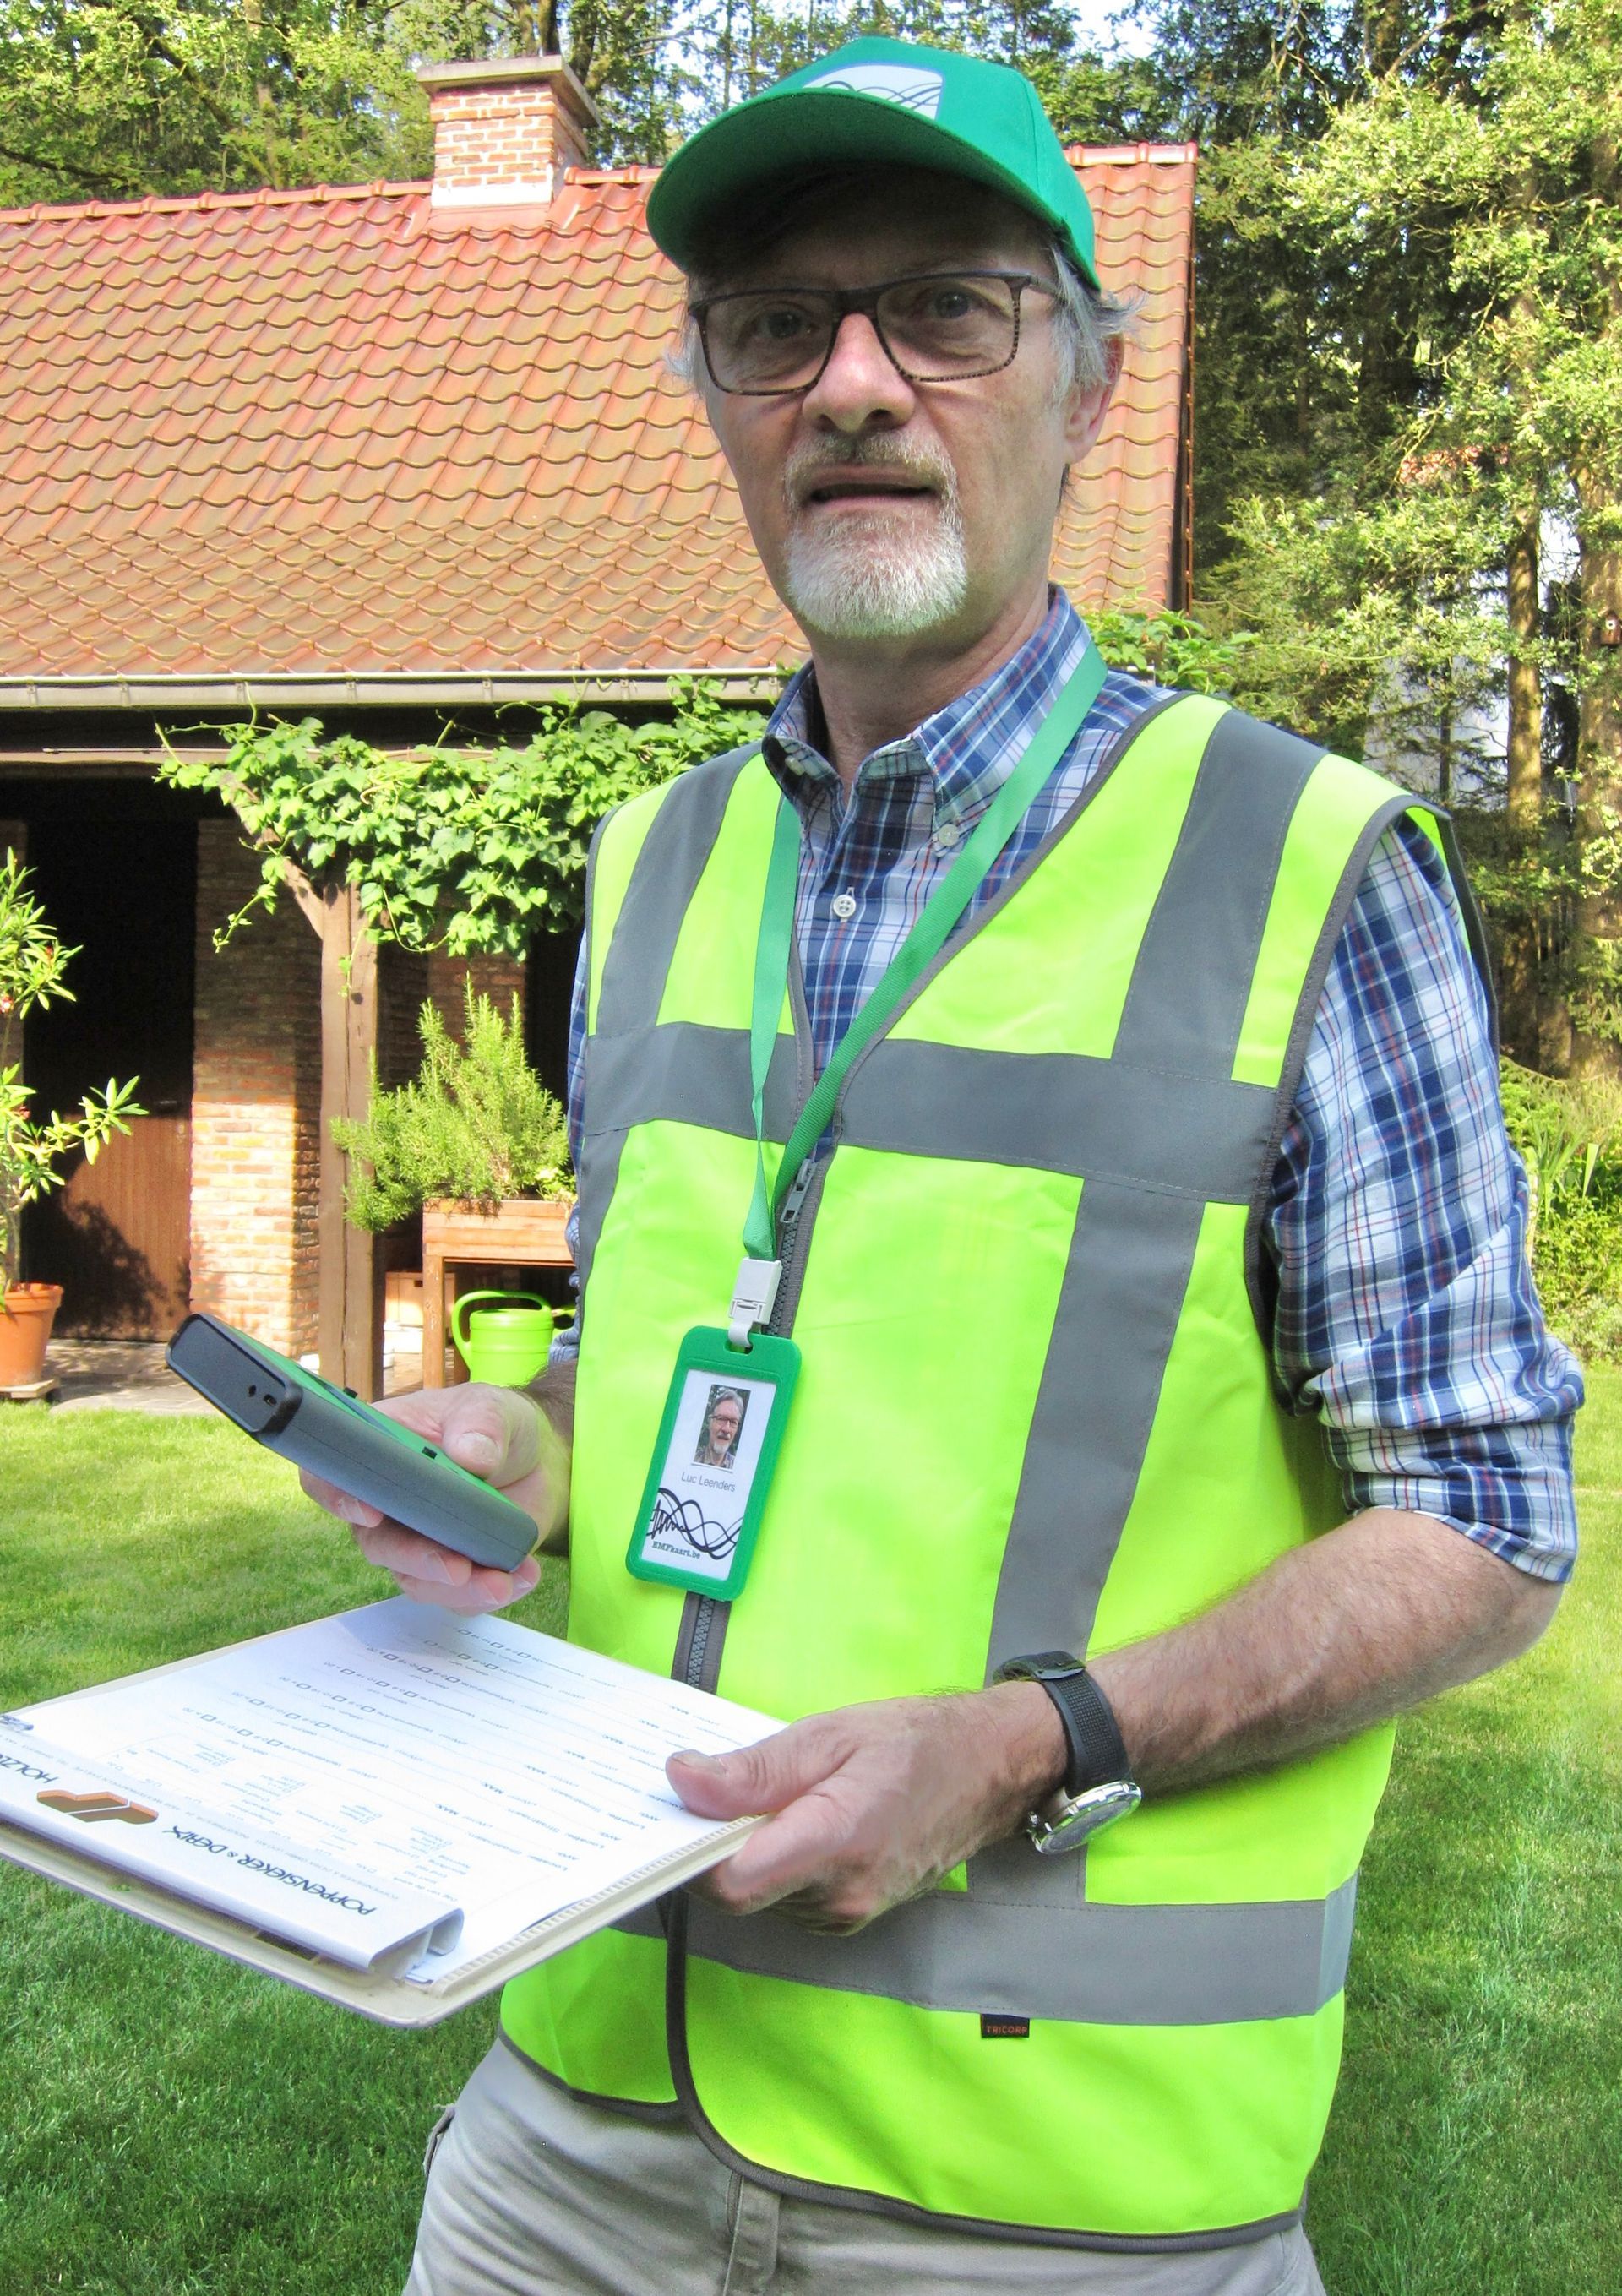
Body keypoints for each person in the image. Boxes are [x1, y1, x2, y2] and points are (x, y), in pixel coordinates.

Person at [303, 36, 1581, 2294]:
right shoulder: (654, 858)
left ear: (1087, 382)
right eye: (780, 323)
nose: (856, 382)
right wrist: (525, 1439)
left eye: (948, 310)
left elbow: (1482, 1515)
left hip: (1053, 2182)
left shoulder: (1303, 864)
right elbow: (702, 1349)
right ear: (713, 392)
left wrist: (1023, 1741)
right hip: (579, 2093)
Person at [697, 1387, 744, 1468]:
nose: (726, 1429)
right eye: (721, 1419)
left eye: (733, 1422)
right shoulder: (690, 1460)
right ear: (710, 1422)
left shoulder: (740, 1470)